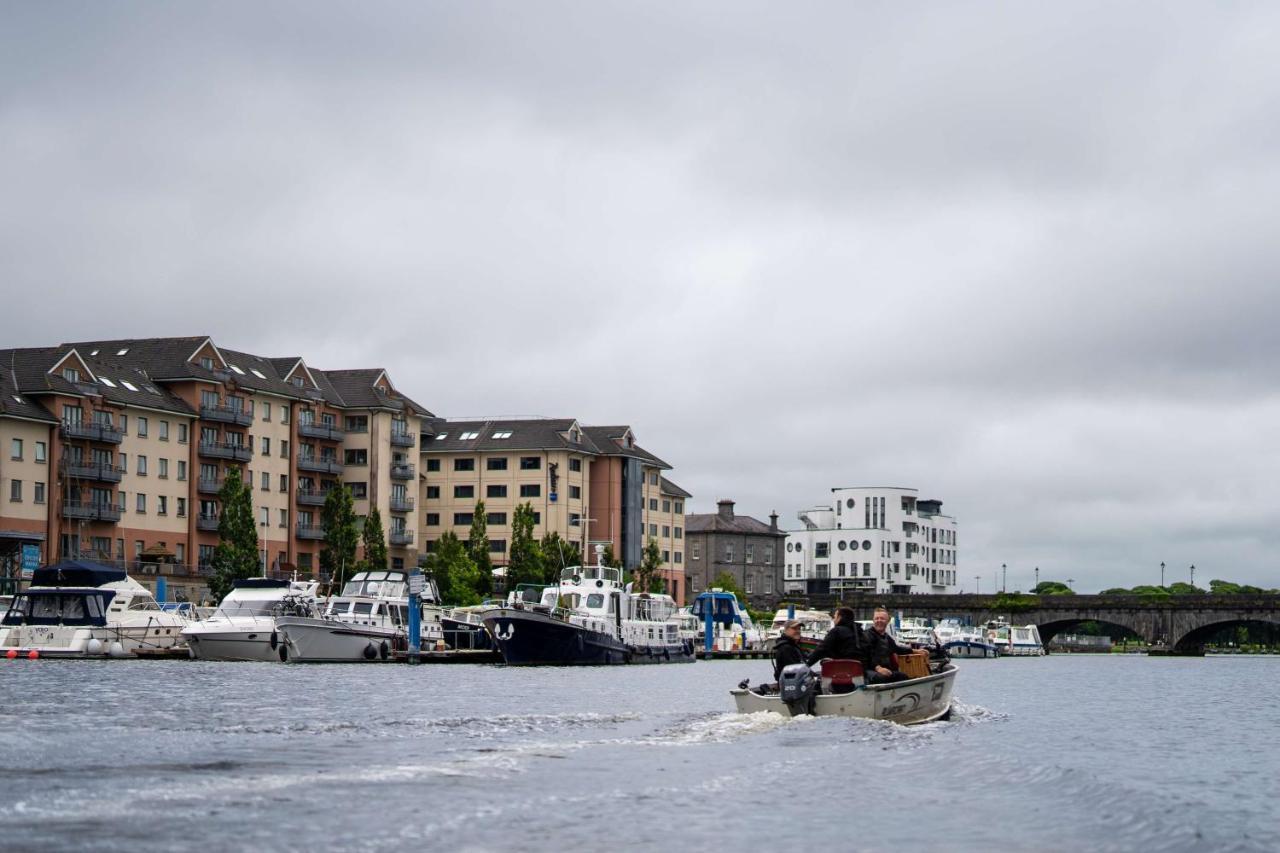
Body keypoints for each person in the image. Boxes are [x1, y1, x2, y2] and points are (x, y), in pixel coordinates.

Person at [863, 606, 919, 684]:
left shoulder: (887, 637)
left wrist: (916, 651)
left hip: (886, 670)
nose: (879, 620)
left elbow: (897, 649)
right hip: (870, 670)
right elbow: (866, 655)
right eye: (876, 618)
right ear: (873, 620)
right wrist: (878, 668)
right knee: (881, 678)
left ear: (887, 621)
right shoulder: (866, 635)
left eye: (882, 618)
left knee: (903, 676)